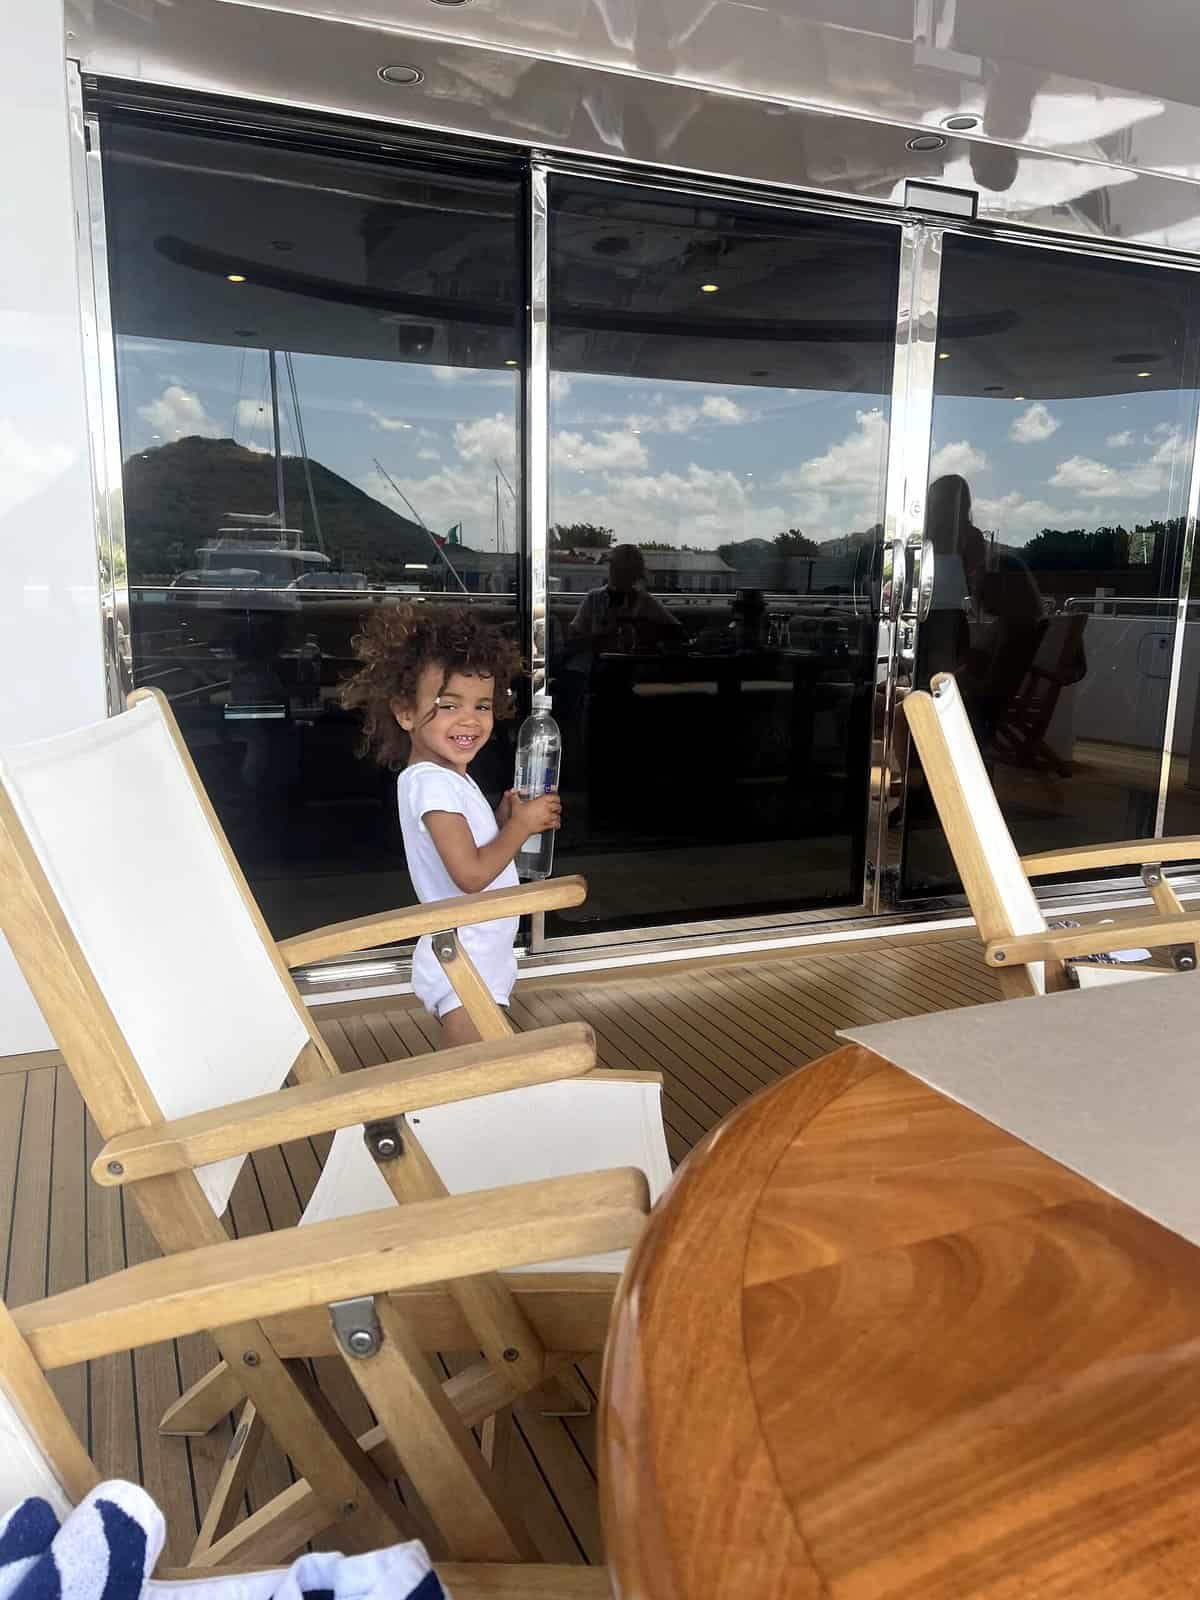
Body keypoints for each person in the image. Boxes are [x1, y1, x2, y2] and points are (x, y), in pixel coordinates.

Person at [340, 604, 560, 1047]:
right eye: (448, 705)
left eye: (482, 705)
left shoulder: (447, 778)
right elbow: (471, 875)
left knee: (479, 1063)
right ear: (405, 713)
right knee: (469, 1068)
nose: (470, 719)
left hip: (479, 949)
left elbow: (469, 850)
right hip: (464, 956)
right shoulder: (432, 784)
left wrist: (501, 822)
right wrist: (520, 828)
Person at [568, 544, 684, 648]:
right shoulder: (594, 598)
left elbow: (678, 632)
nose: (614, 571)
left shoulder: (646, 601)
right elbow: (573, 637)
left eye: (622, 568)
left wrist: (646, 634)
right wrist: (601, 639)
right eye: (614, 566)